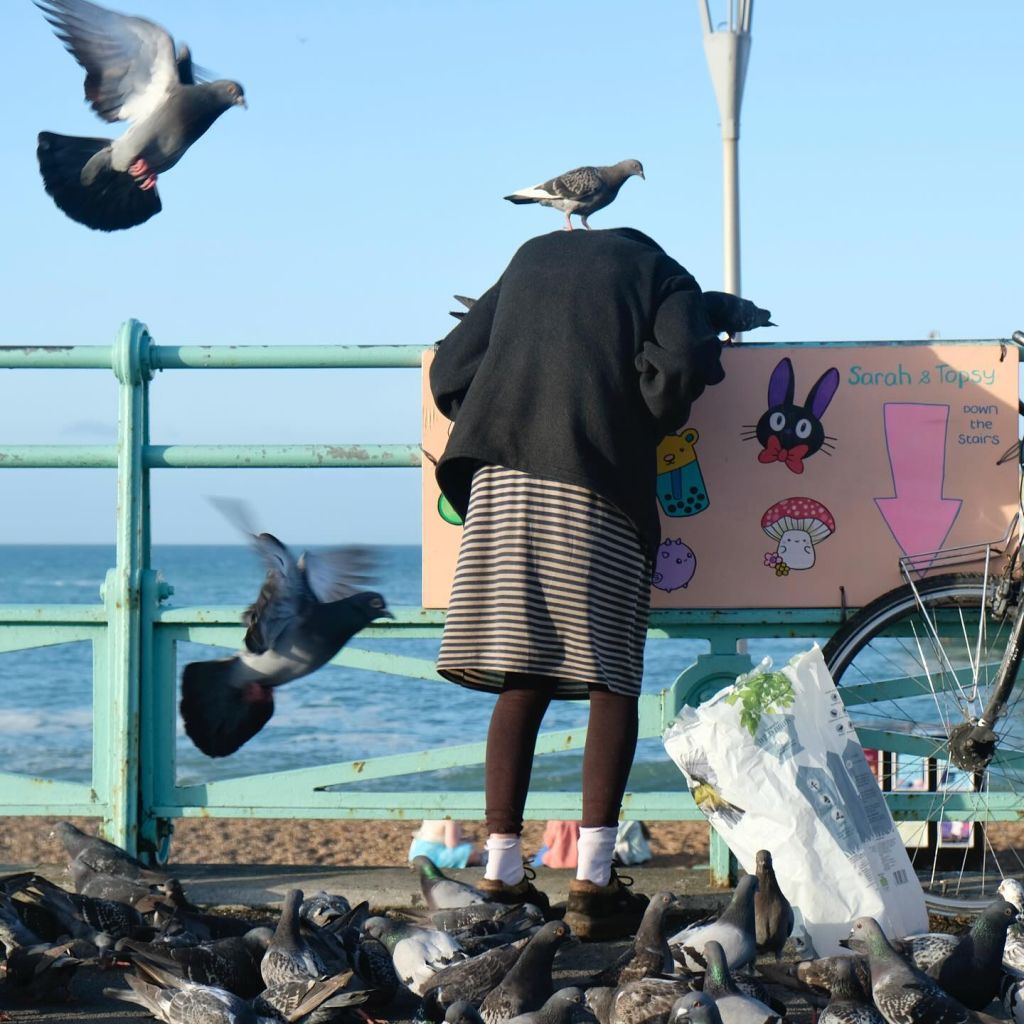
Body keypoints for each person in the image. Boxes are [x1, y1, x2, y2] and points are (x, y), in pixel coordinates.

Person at [428, 227, 727, 941]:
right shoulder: (664, 276)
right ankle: (593, 881)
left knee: (520, 673)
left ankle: (501, 872)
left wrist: (514, 410)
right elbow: (684, 360)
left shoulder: (529, 256)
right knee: (610, 676)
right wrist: (637, 414)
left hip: (500, 475)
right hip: (595, 474)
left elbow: (450, 369)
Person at [408, 819, 486, 868]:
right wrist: (466, 842)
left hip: (417, 852)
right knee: (470, 850)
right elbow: (451, 844)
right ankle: (480, 860)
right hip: (432, 858)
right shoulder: (449, 819)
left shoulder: (431, 813)